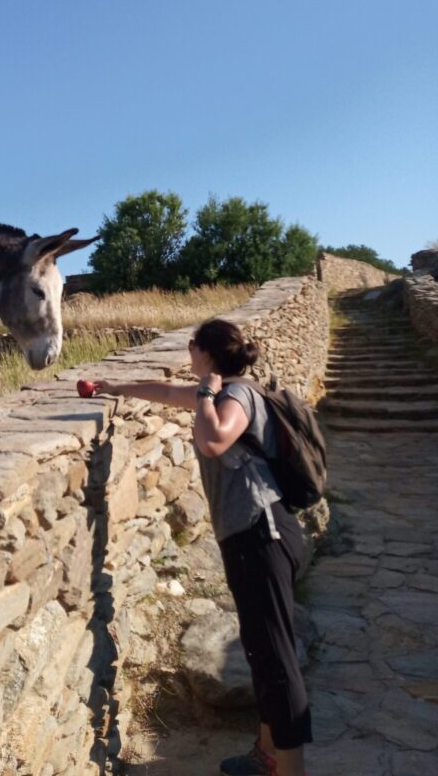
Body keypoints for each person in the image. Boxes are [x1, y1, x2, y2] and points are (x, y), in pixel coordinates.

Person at [92, 318, 311, 776]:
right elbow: (167, 393)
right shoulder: (218, 392)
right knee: (259, 648)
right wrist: (114, 386)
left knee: (275, 657)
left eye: (192, 348)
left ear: (206, 353)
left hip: (262, 533)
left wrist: (208, 394)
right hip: (250, 535)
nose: (188, 355)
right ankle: (267, 754)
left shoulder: (236, 395)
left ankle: (290, 769)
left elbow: (213, 441)